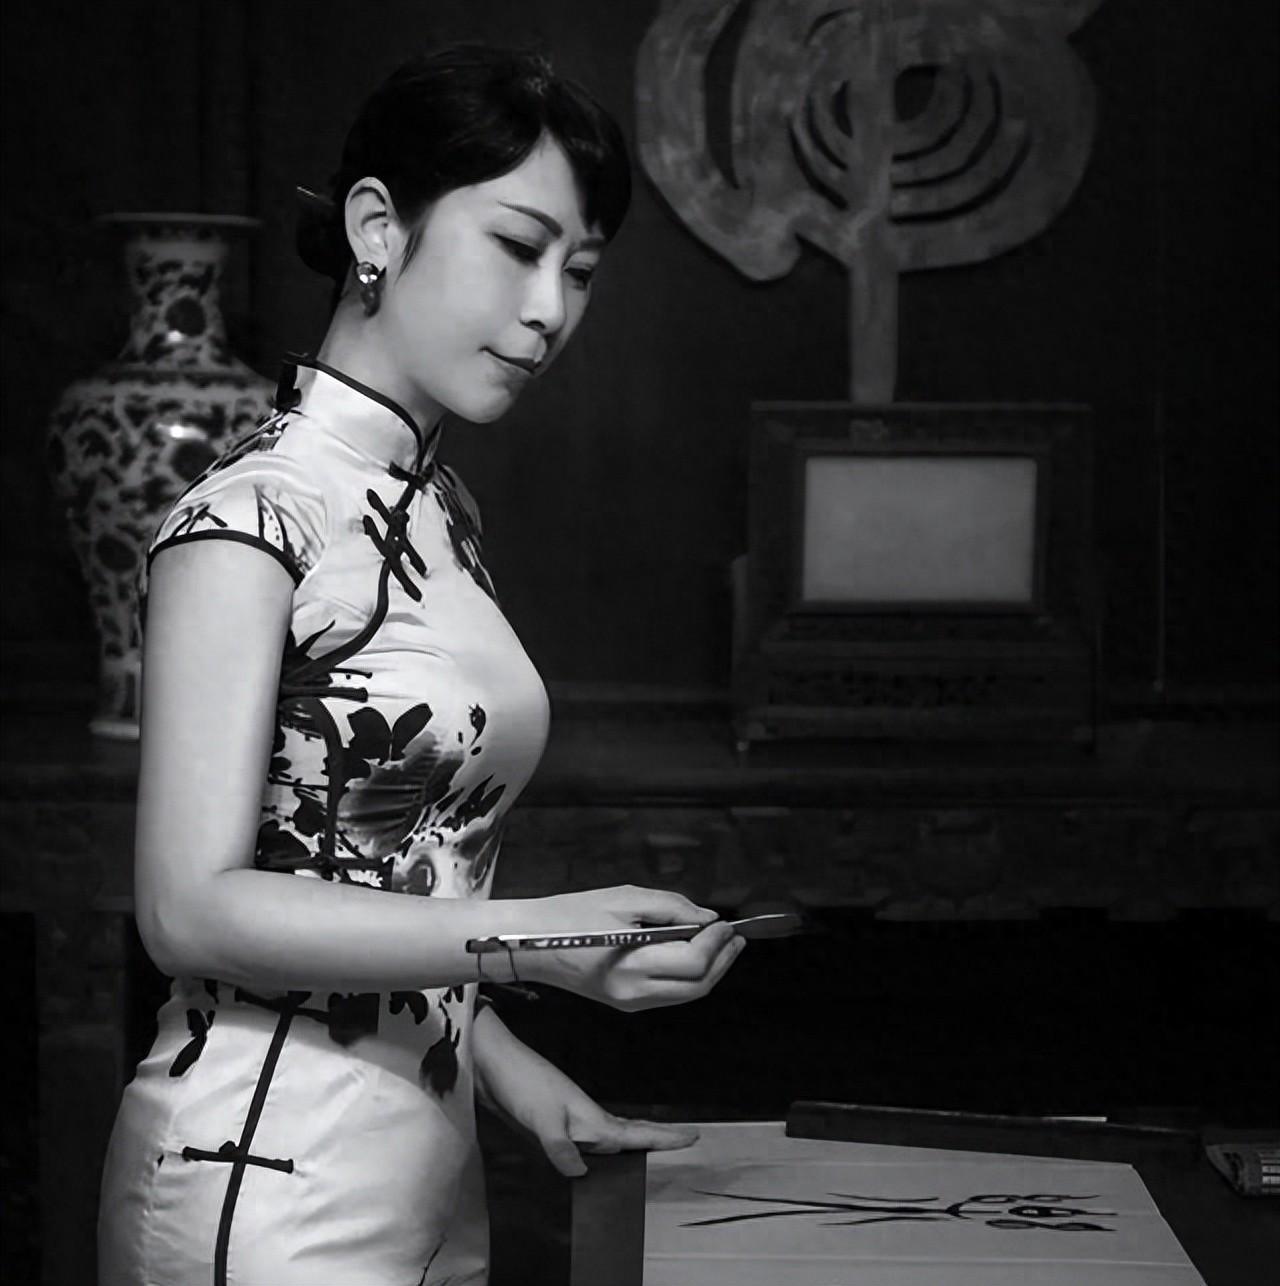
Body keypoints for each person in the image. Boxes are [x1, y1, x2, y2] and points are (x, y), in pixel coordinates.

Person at [97, 44, 745, 1286]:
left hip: (430, 1177)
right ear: (377, 227)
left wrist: (505, 1064)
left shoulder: (437, 508)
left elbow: (390, 876)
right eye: (516, 246)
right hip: (257, 1186)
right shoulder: (248, 519)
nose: (549, 309)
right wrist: (543, 937)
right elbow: (188, 909)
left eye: (579, 270)